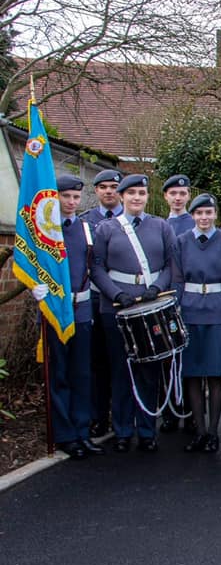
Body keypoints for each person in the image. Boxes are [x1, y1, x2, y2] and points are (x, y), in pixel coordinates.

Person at [90, 174, 177, 453]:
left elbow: (170, 264)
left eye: (141, 193)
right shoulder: (106, 229)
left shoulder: (161, 226)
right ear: (122, 197)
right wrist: (116, 294)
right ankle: (123, 429)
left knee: (149, 368)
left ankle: (147, 429)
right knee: (120, 368)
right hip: (116, 307)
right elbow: (97, 269)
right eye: (131, 193)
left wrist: (157, 287)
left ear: (147, 197)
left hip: (150, 305)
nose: (136, 198)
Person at [30, 175, 104, 459]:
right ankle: (65, 435)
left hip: (82, 310)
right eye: (66, 197)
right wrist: (33, 288)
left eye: (75, 197)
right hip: (54, 311)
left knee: (82, 374)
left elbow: (94, 268)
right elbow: (31, 262)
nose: (71, 202)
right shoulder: (45, 230)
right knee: (58, 374)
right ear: (55, 197)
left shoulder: (86, 229)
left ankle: (82, 431)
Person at [173, 193, 221, 454]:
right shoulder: (181, 241)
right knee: (191, 374)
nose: (204, 218)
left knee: (213, 373)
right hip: (189, 311)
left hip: (216, 311)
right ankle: (198, 431)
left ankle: (213, 433)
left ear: (215, 215)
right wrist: (175, 312)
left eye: (208, 213)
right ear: (193, 215)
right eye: (199, 213)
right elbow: (176, 279)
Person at [80, 168, 124, 438]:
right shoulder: (87, 221)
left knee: (122, 360)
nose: (109, 191)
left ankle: (122, 418)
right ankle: (99, 416)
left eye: (113, 187)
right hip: (95, 297)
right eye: (103, 187)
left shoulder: (132, 221)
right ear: (95, 191)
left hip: (125, 299)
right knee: (97, 361)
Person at [159, 174, 194, 434]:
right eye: (173, 194)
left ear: (188, 196)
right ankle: (170, 408)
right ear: (166, 197)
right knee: (166, 357)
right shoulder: (158, 225)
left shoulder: (196, 223)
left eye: (182, 194)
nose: (178, 198)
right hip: (164, 298)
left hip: (189, 299)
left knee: (187, 357)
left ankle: (189, 409)